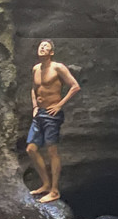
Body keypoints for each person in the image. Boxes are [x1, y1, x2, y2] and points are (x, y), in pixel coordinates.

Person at [25, 39, 79, 204]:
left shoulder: (58, 67)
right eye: (40, 46)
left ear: (51, 52)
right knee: (31, 149)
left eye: (46, 47)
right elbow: (34, 90)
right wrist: (35, 106)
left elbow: (75, 86)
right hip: (39, 114)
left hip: (52, 114)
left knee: (52, 151)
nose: (42, 48)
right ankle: (46, 184)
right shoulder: (36, 68)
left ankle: (55, 190)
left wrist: (59, 105)